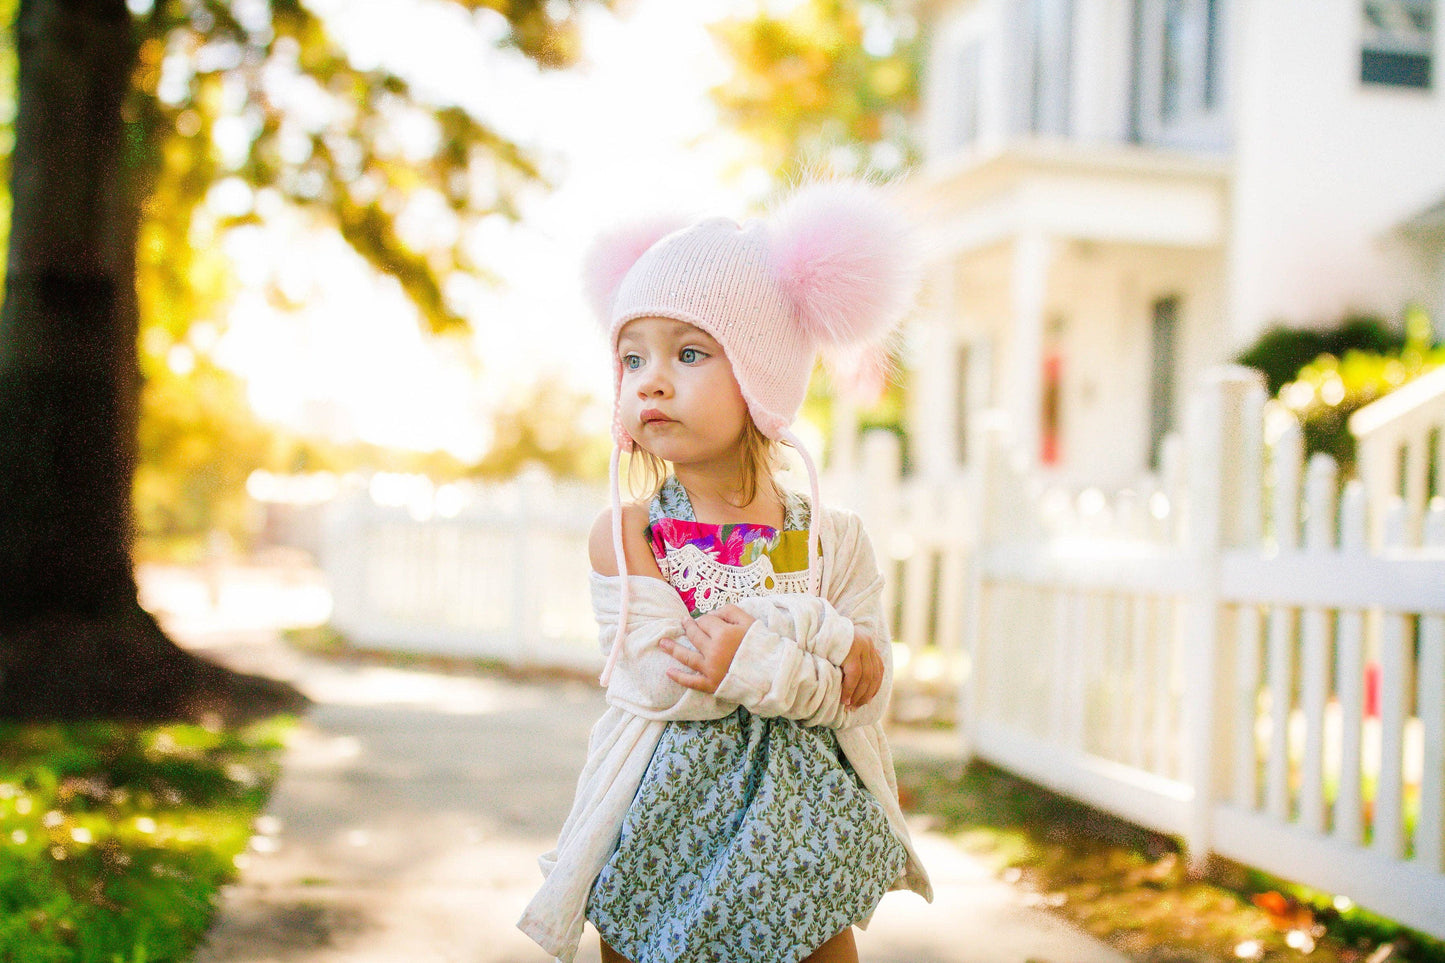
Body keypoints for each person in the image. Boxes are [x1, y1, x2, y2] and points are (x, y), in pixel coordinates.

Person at [517, 180, 933, 963]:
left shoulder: (831, 542)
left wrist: (752, 655)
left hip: (797, 833)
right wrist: (810, 646)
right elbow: (658, 678)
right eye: (631, 356)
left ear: (763, 374)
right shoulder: (629, 533)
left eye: (689, 351)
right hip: (661, 824)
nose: (650, 379)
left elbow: (863, 694)